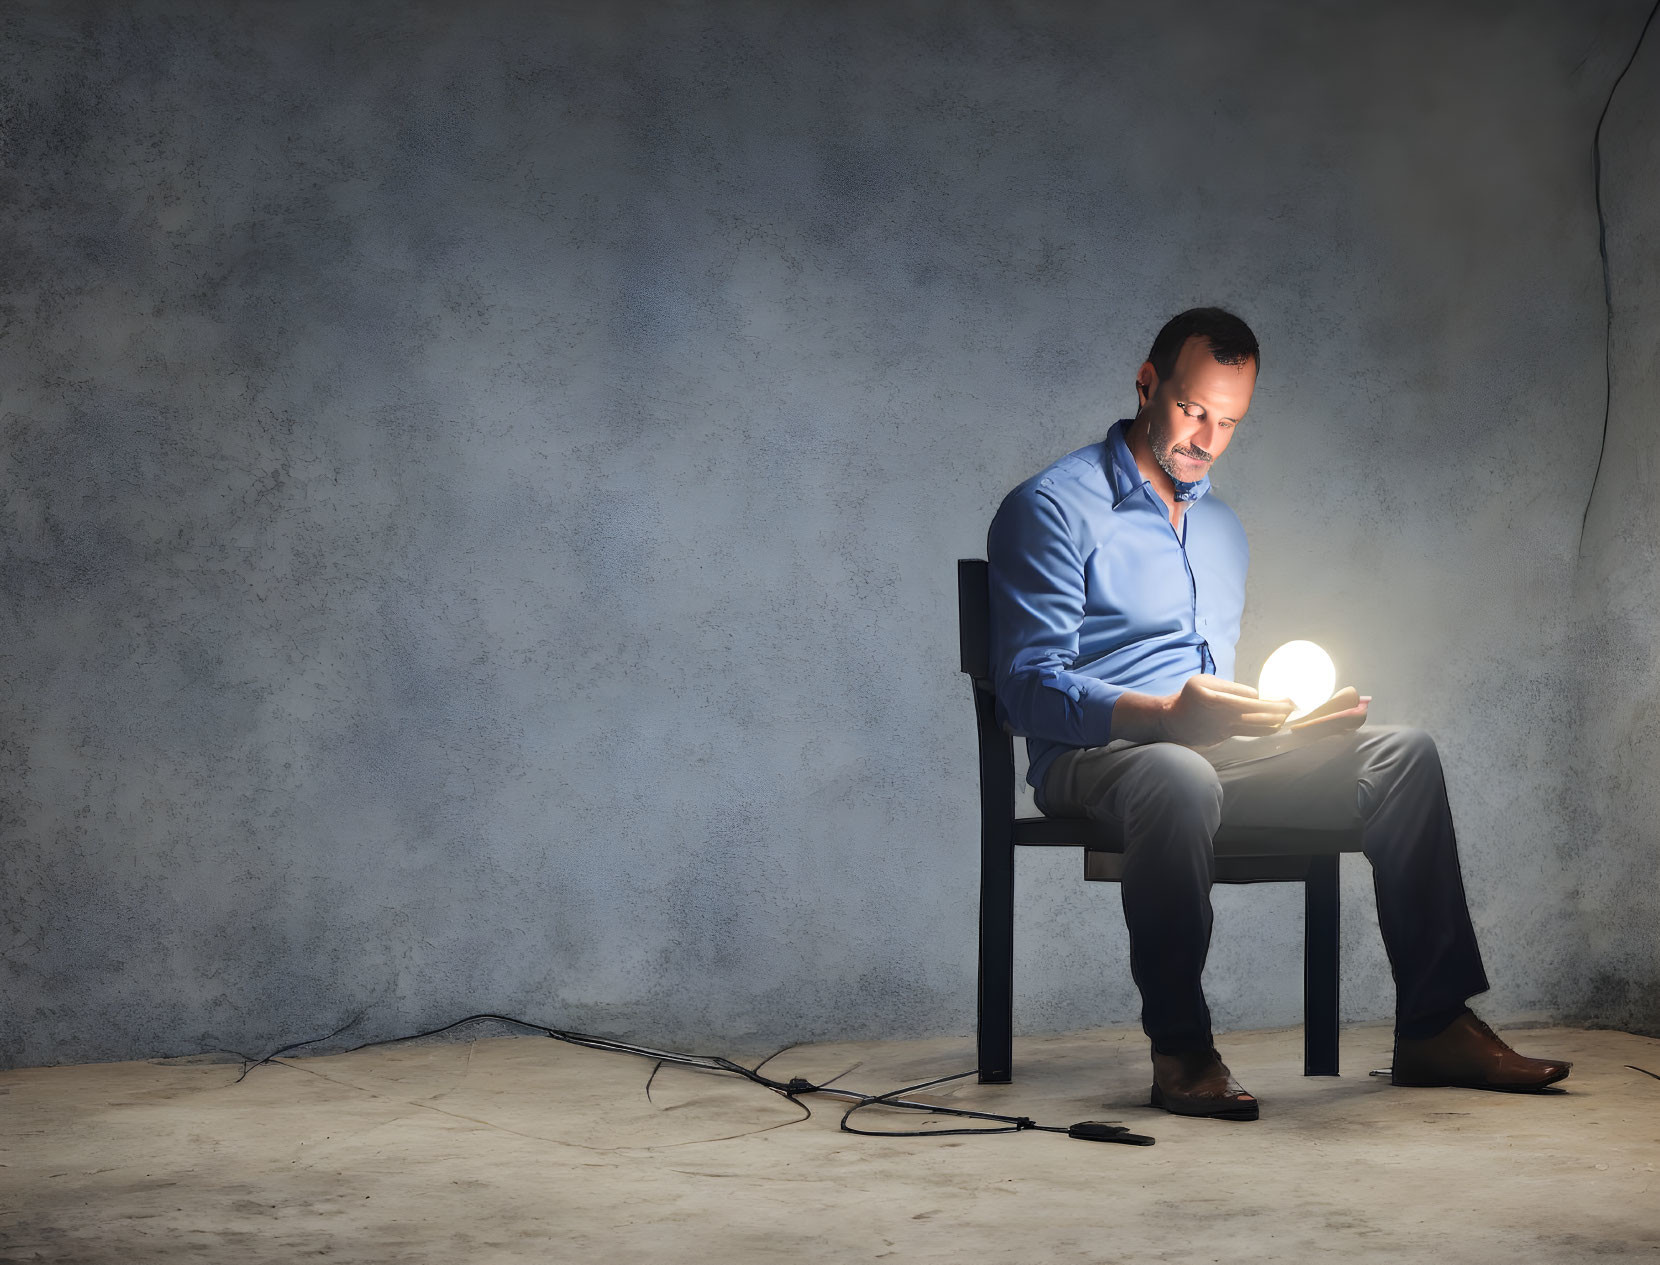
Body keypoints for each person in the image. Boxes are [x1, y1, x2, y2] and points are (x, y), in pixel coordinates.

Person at [985, 307, 1570, 1121]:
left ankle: (1433, 1025)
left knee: (1401, 752)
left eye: (1230, 422)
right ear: (1148, 384)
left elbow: (1216, 707)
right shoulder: (1050, 507)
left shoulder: (1223, 529)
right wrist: (1160, 715)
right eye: (1193, 410)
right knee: (1177, 774)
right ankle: (1183, 1049)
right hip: (1097, 755)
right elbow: (1024, 690)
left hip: (1206, 754)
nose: (1208, 439)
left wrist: (1293, 732)